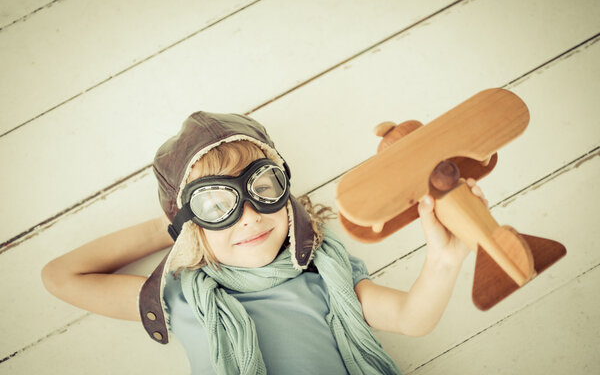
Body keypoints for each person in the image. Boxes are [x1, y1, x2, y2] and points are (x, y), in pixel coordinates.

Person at [42, 111, 487, 374]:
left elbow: (412, 318)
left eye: (263, 187)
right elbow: (61, 276)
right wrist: (182, 224)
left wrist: (444, 260)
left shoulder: (322, 275)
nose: (249, 216)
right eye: (217, 204)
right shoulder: (180, 298)